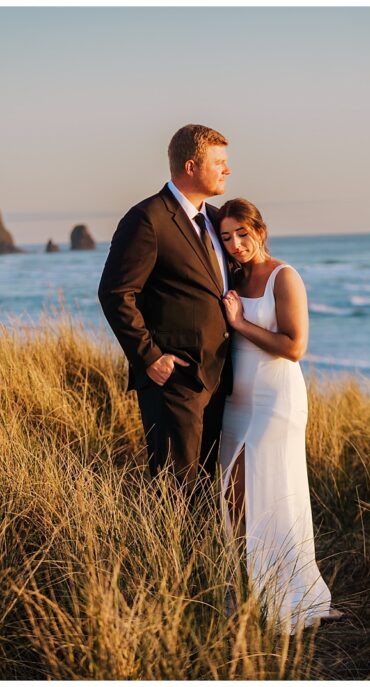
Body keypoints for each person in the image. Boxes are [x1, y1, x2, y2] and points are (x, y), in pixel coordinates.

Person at [218, 198, 341, 634]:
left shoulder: (283, 277)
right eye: (227, 237)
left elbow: (294, 347)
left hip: (277, 400)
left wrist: (240, 323)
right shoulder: (231, 276)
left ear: (260, 231)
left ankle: (285, 593)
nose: (235, 244)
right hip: (237, 401)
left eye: (242, 235)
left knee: (268, 489)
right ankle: (243, 586)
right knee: (231, 497)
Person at [97, 124, 232, 491]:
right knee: (174, 489)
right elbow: (115, 292)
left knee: (208, 488)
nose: (227, 170)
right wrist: (149, 357)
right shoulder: (148, 219)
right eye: (219, 162)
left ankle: (204, 551)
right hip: (173, 379)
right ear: (191, 166)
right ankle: (167, 551)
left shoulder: (219, 221)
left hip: (219, 377)